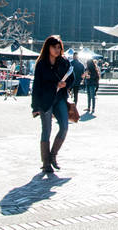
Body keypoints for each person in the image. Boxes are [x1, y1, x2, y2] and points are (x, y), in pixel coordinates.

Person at [31, 35, 73, 173]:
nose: (57, 50)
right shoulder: (42, 64)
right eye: (54, 47)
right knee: (47, 130)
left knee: (64, 127)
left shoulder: (64, 62)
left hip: (59, 98)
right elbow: (37, 85)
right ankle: (46, 162)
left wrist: (66, 84)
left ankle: (53, 155)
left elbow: (72, 78)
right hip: (45, 100)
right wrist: (35, 106)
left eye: (59, 47)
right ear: (48, 47)